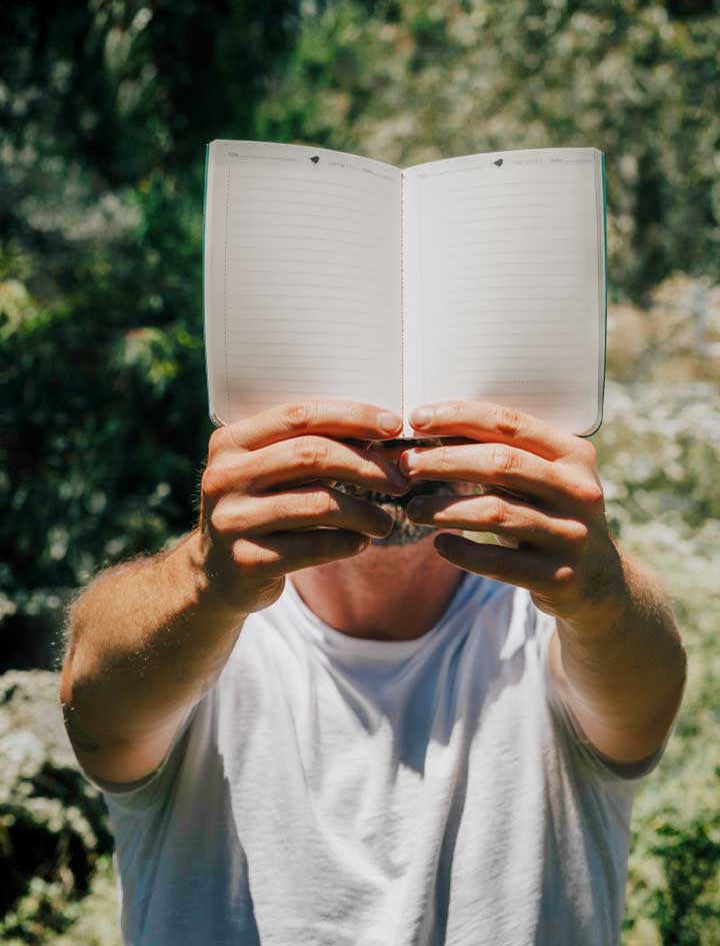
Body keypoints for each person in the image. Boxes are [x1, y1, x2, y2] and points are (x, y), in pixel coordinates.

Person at [60, 399, 686, 946]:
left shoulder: (560, 625)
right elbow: (96, 707)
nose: (398, 423)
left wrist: (600, 590)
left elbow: (648, 692)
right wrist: (201, 576)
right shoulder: (196, 627)